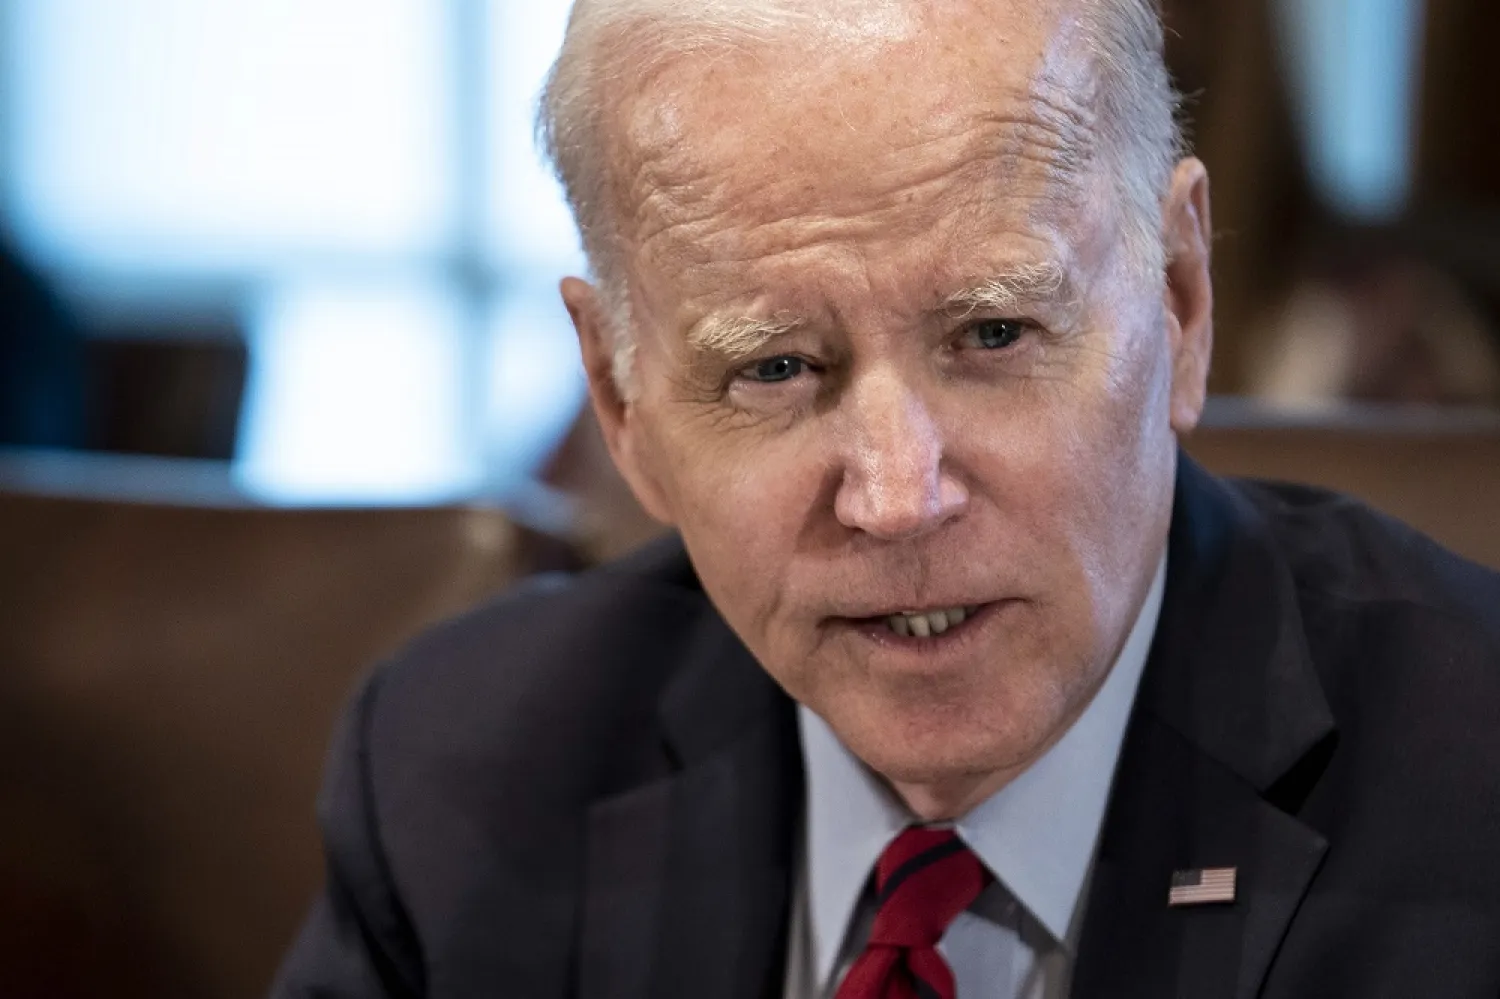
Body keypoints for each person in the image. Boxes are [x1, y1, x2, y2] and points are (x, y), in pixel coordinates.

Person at [271, 1, 1500, 996]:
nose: (898, 498)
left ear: (1179, 298)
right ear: (622, 401)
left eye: (997, 333)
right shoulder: (461, 778)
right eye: (773, 369)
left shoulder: (1470, 781)